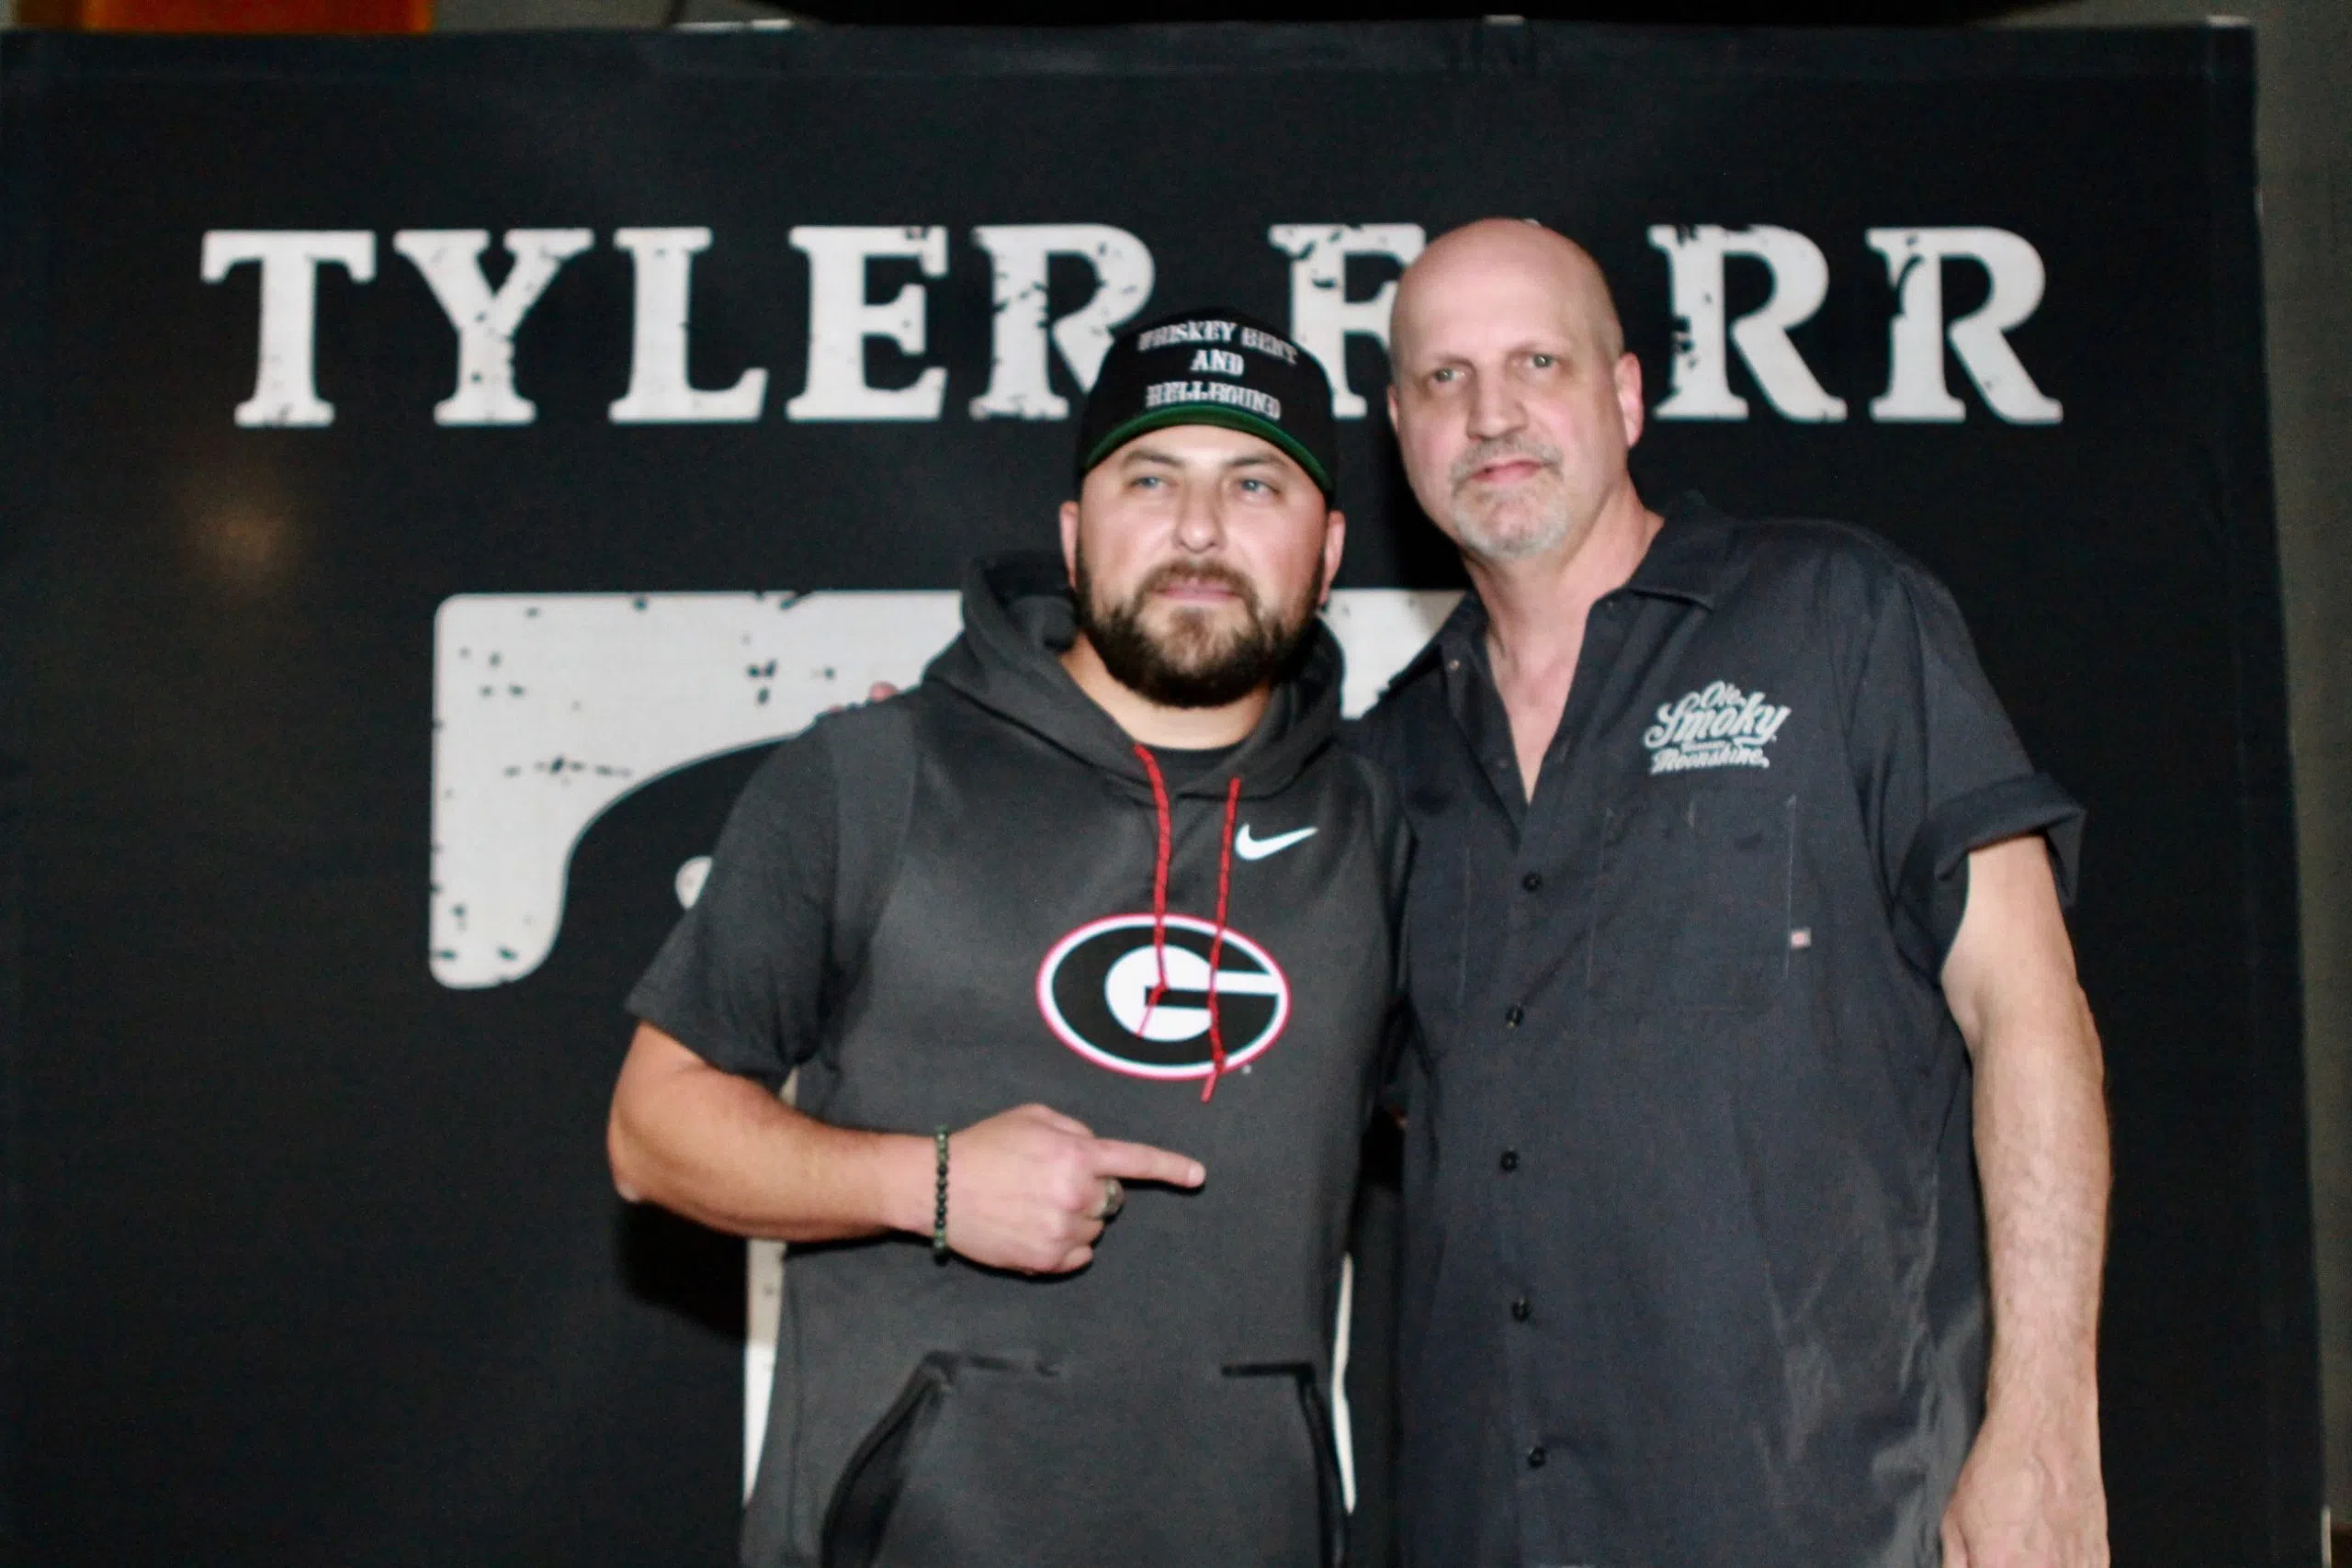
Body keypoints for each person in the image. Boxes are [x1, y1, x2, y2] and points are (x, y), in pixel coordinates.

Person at [1352, 219, 2110, 1568]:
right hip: (1491, 1528)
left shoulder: (1836, 615)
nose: (1492, 413)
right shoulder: (1391, 757)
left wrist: (2048, 1425)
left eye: (1537, 361)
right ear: (1402, 427)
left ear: (1625, 394)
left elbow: (2029, 1010)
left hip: (1826, 1517)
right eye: (1444, 377)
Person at [606, 309, 1410, 1568]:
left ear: (1330, 551)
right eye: (1152, 479)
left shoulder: (1384, 829)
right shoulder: (873, 775)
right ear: (1077, 534)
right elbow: (650, 1134)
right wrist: (928, 1186)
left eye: (1255, 484)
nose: (1200, 528)